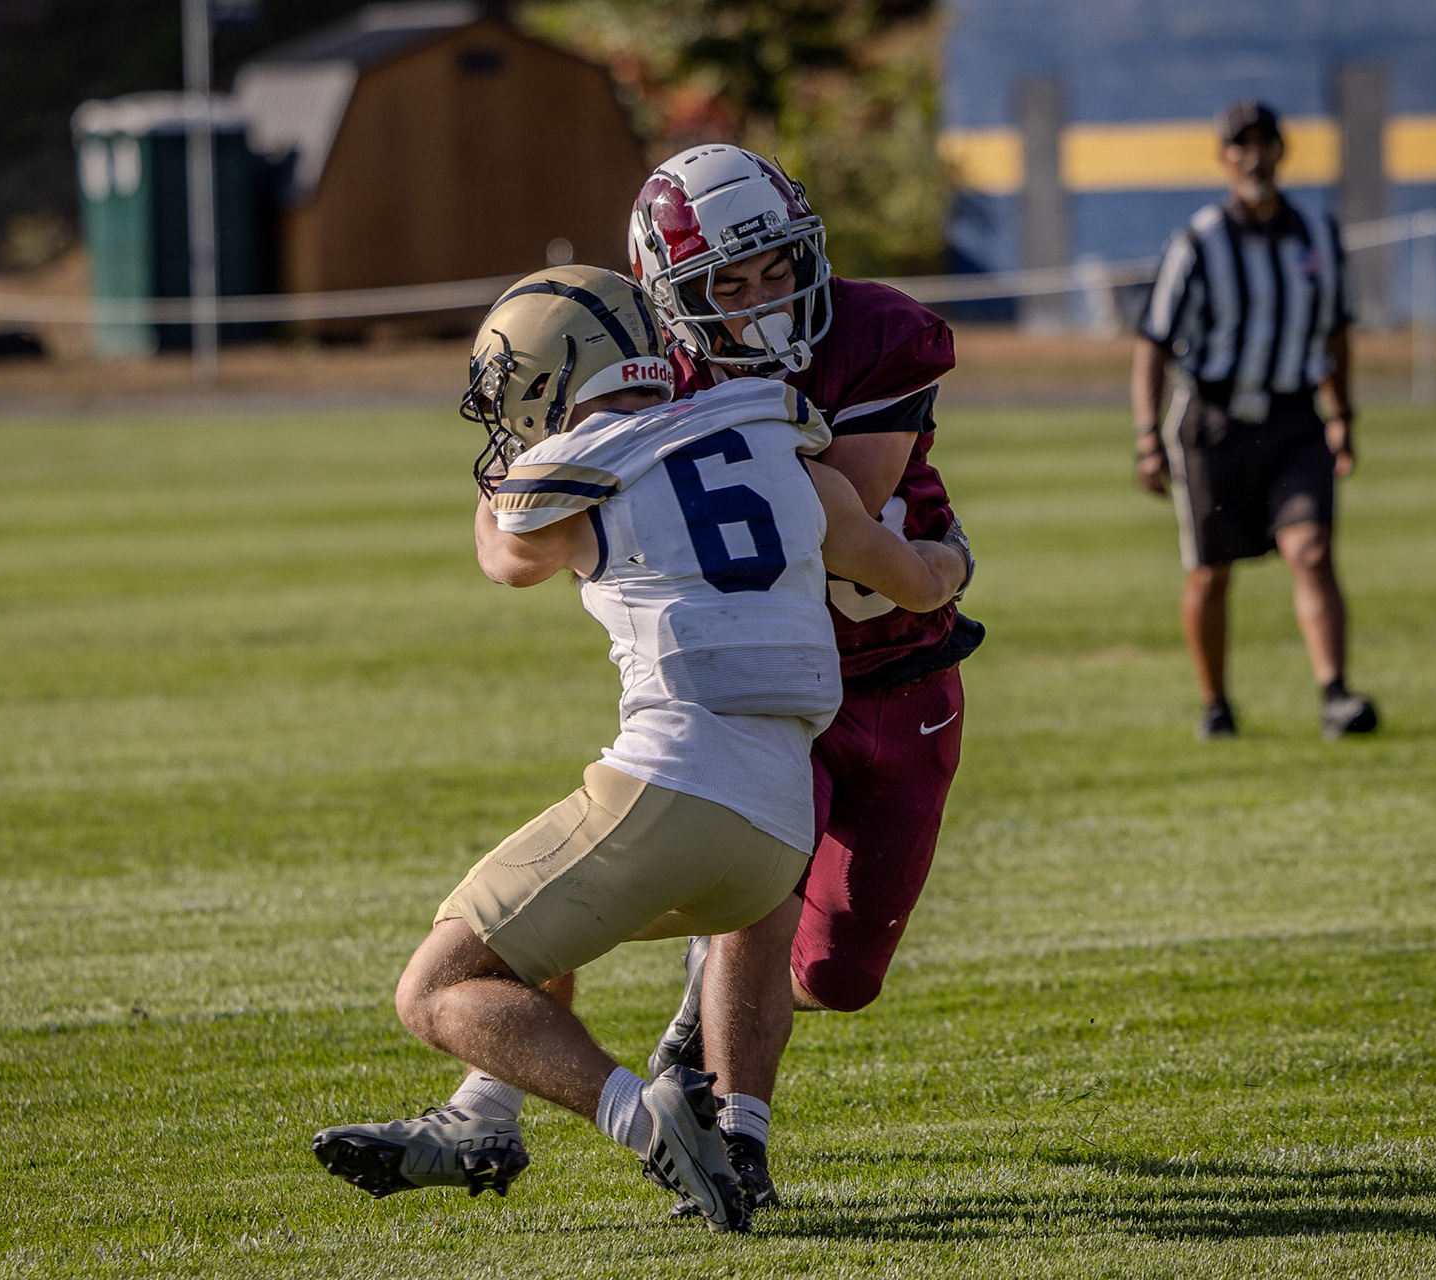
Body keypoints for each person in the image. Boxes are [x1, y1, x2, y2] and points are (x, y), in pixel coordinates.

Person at [308, 266, 971, 1233]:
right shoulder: (777, 434)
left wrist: (506, 471)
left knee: (439, 988)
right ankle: (484, 1118)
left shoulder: (570, 475)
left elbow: (504, 557)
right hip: (779, 837)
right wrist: (956, 559)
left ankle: (648, 1122)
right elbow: (916, 579)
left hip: (672, 790)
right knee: (536, 919)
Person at [624, 143, 982, 1213]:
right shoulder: (649, 368)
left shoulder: (878, 333)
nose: (763, 300)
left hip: (903, 669)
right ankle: (737, 1138)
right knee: (759, 899)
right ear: (673, 301)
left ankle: (701, 1010)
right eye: (725, 287)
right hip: (770, 681)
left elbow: (844, 522)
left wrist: (935, 570)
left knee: (838, 976)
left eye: (776, 268)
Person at [1131, 100, 1378, 742]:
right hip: (1214, 422)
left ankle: (1335, 694)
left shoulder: (1318, 234)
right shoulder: (1199, 241)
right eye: (1241, 144)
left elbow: (1336, 331)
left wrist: (1342, 413)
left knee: (1312, 549)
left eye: (1265, 142)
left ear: (1281, 150)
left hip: (1296, 416)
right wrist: (1146, 437)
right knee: (1211, 571)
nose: (1254, 154)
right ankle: (1216, 704)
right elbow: (1153, 342)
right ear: (1224, 157)